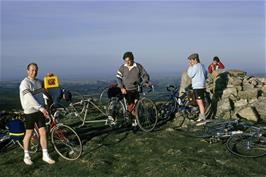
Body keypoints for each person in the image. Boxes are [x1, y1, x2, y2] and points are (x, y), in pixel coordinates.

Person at [19, 63, 55, 165]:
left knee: (43, 132)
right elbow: (29, 98)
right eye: (32, 70)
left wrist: (49, 77)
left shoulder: (38, 82)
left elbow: (48, 84)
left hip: (39, 111)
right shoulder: (24, 83)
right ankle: (26, 156)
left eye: (36, 70)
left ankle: (45, 155)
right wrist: (41, 108)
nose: (34, 72)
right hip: (30, 112)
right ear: (27, 71)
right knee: (29, 134)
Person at [116, 51, 150, 127]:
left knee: (136, 106)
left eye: (128, 61)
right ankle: (130, 120)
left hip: (136, 89)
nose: (127, 62)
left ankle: (135, 121)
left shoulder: (138, 66)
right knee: (131, 105)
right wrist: (121, 87)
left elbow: (145, 75)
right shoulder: (123, 67)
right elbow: (118, 77)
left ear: (132, 59)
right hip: (126, 90)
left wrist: (145, 81)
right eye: (125, 61)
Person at [187, 53, 208, 123]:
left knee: (200, 103)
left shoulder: (196, 66)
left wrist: (190, 66)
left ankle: (202, 118)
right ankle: (201, 116)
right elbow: (205, 74)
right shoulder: (202, 66)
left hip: (197, 86)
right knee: (200, 102)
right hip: (201, 85)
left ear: (195, 59)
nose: (190, 62)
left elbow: (190, 74)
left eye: (191, 60)